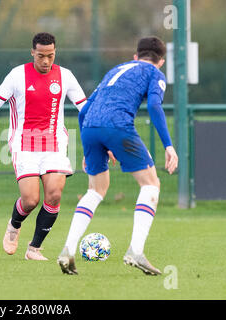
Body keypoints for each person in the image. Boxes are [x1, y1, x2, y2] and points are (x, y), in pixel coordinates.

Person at [57, 36, 178, 275]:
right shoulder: (155, 74)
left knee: (96, 190)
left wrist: (90, 144)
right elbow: (154, 106)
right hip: (118, 127)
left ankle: (67, 250)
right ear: (161, 61)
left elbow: (86, 110)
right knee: (151, 184)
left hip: (90, 127)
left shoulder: (116, 69)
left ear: (136, 56)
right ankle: (136, 251)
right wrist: (168, 145)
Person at [0, 32, 89, 260]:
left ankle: (34, 249)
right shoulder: (17, 75)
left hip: (55, 144)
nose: (45, 61)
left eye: (50, 56)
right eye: (41, 56)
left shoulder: (66, 76)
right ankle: (14, 224)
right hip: (24, 145)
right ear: (32, 52)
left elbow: (85, 108)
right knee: (31, 200)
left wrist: (102, 138)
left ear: (55, 53)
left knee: (54, 195)